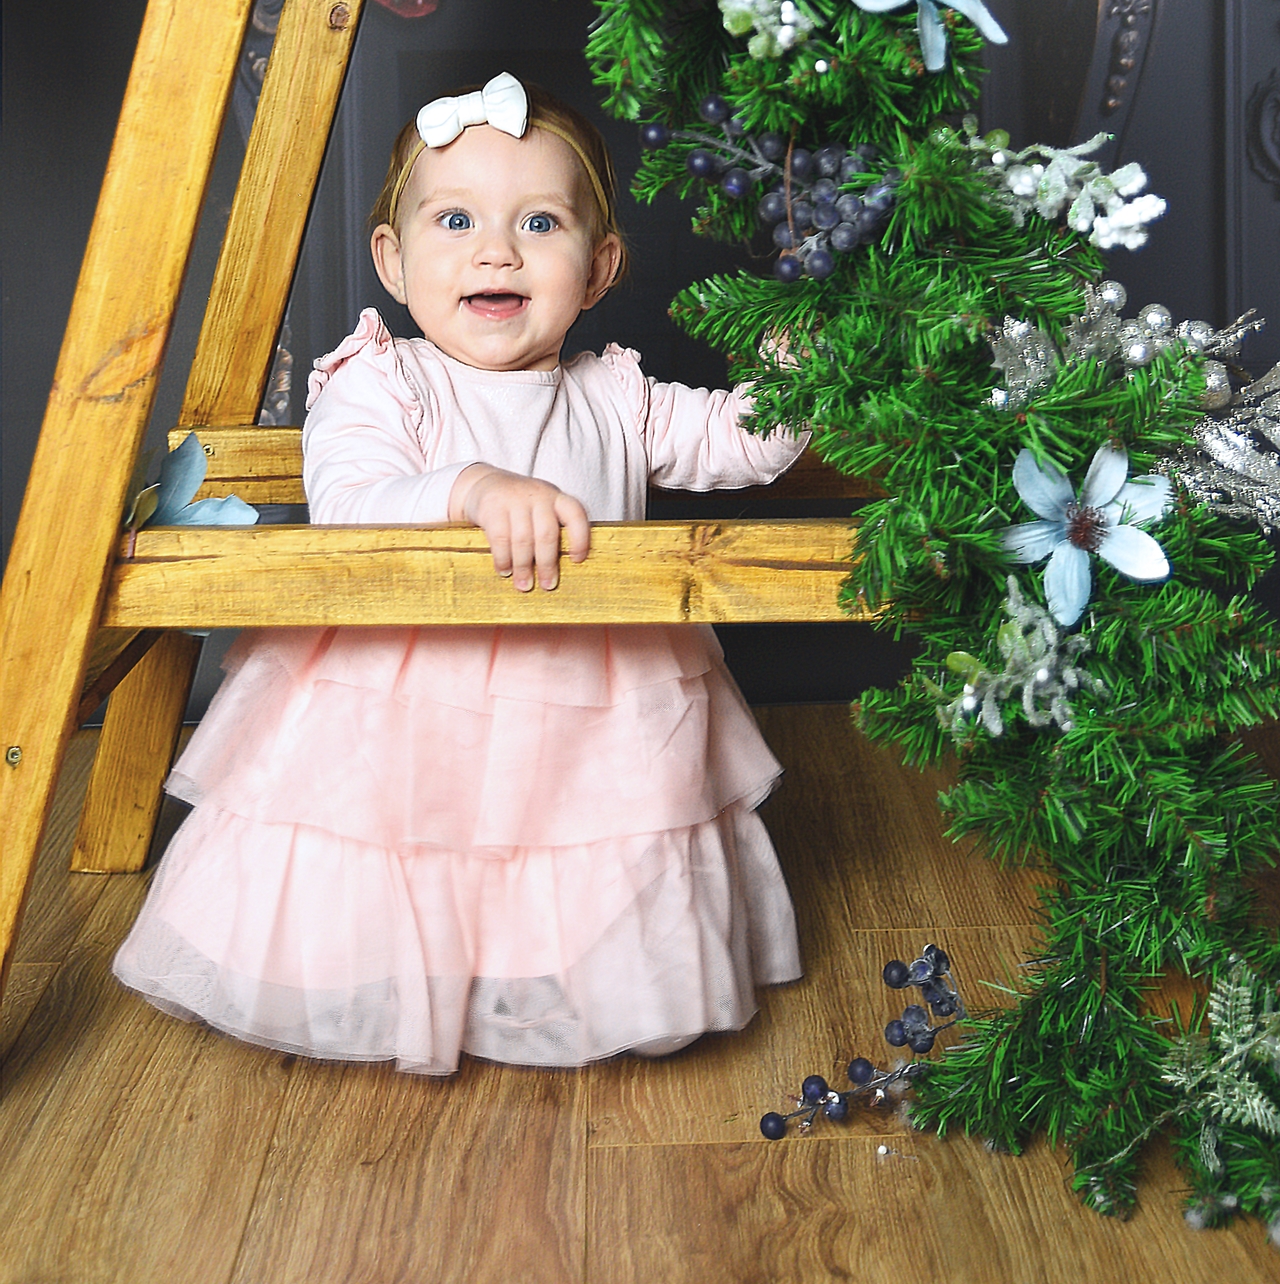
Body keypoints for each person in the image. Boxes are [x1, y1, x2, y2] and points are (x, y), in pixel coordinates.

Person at [113, 73, 805, 1074]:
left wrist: (802, 376)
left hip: (590, 699)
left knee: (579, 839)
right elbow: (349, 503)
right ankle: (395, 978)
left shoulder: (617, 397)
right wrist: (469, 488)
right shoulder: (381, 382)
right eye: (455, 220)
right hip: (410, 695)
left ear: (599, 267)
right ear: (392, 262)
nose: (496, 251)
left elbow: (740, 446)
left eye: (540, 223)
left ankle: (573, 977)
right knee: (412, 843)